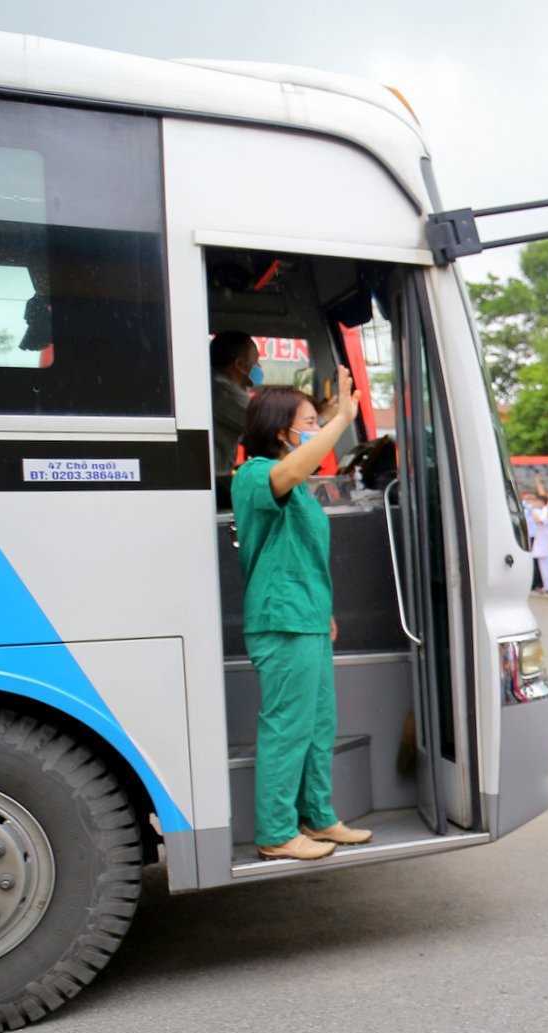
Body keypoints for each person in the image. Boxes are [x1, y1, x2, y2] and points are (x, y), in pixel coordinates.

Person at [230, 369, 373, 862]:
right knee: (287, 726)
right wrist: (342, 423)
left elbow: (302, 558)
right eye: (308, 423)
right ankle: (276, 831)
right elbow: (292, 473)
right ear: (279, 431)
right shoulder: (256, 475)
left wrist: (324, 612)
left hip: (306, 617)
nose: (316, 429)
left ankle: (318, 814)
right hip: (282, 619)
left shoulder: (297, 480)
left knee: (317, 725)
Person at [210, 331, 261, 504]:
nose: (259, 368)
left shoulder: (217, 386)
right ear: (240, 364)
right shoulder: (224, 392)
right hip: (216, 482)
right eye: (256, 362)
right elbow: (268, 424)